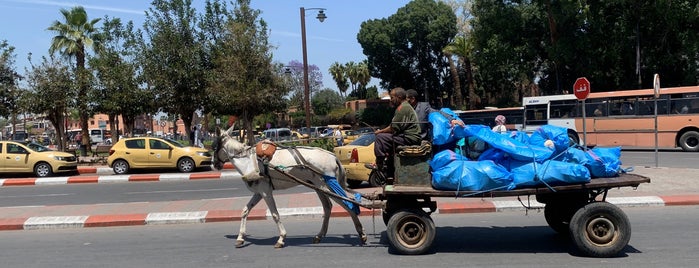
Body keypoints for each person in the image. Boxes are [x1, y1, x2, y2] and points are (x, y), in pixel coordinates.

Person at [373, 87, 422, 178]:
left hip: (410, 138)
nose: (391, 100)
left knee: (380, 138)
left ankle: (379, 163)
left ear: (399, 97)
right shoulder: (405, 107)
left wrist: (379, 132)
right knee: (385, 140)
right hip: (407, 137)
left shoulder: (402, 108)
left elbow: (393, 128)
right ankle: (389, 168)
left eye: (392, 98)